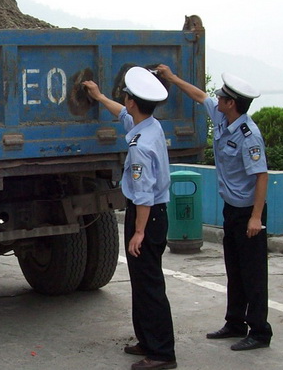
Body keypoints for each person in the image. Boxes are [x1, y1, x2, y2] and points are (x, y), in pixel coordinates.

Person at [156, 64, 273, 351]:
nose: (216, 99)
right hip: (231, 209)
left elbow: (261, 176)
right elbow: (199, 96)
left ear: (231, 103)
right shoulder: (222, 118)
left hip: (248, 213)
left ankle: (260, 331)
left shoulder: (249, 135)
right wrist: (172, 78)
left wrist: (256, 217)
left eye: (221, 97)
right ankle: (235, 323)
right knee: (234, 269)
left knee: (253, 274)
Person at [83, 67, 177, 370]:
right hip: (153, 214)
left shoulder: (140, 147)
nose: (124, 101)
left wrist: (138, 232)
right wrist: (99, 97)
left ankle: (162, 353)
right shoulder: (150, 126)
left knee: (149, 285)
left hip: (147, 215)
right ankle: (147, 341)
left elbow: (144, 194)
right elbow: (123, 113)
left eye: (126, 97)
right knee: (142, 281)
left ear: (133, 101)